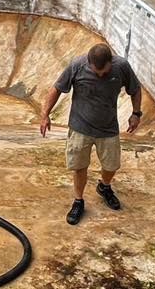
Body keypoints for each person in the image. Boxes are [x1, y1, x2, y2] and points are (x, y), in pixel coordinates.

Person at [37, 42, 143, 225]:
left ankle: (104, 186)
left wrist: (136, 113)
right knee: (79, 167)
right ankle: (78, 201)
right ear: (89, 63)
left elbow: (135, 89)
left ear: (111, 62)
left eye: (104, 72)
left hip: (108, 128)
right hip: (80, 127)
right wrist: (45, 115)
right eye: (96, 72)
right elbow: (56, 89)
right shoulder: (77, 66)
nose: (100, 75)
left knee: (112, 165)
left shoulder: (122, 66)